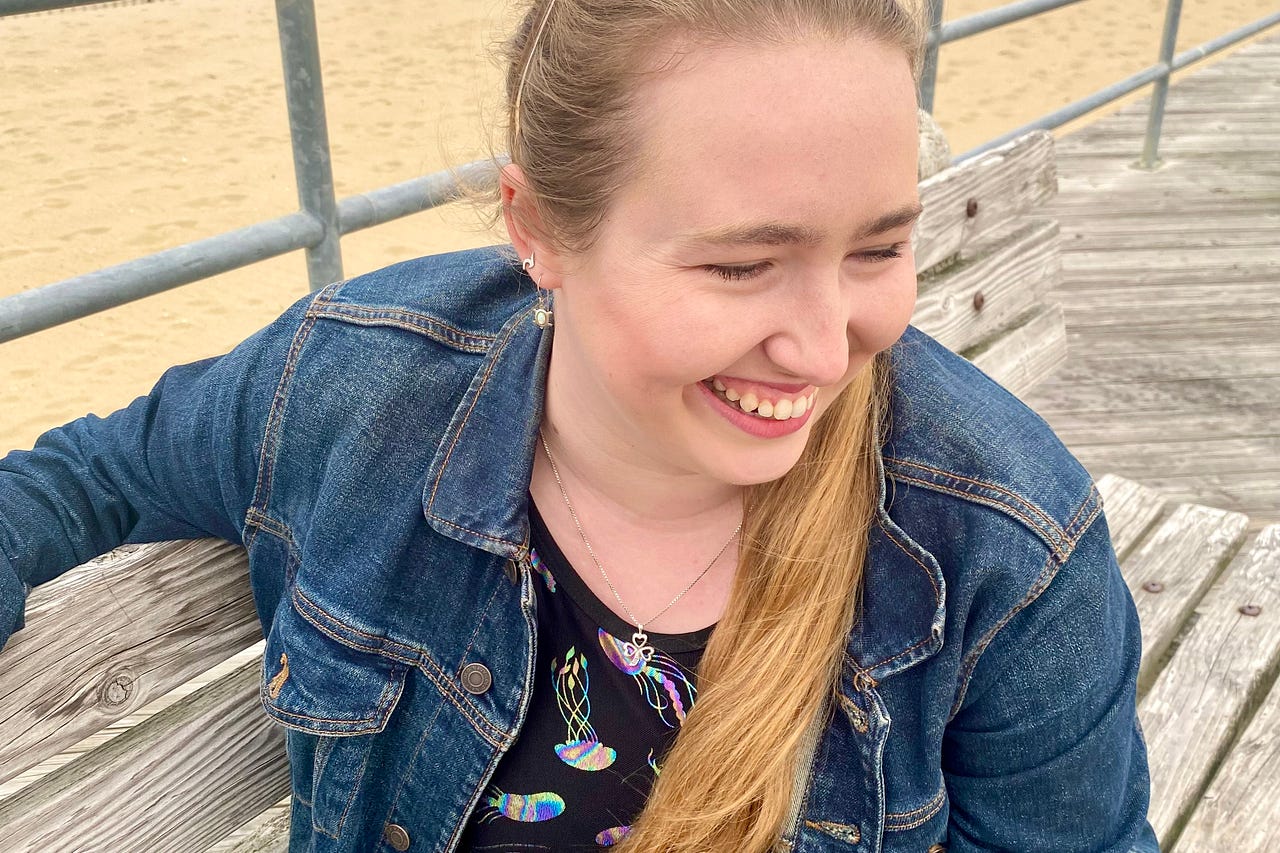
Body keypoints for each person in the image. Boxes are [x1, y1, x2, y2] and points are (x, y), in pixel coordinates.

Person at [0, 0, 1159, 851]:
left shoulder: (1004, 544)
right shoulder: (361, 382)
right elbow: (90, 474)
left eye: (877, 247)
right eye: (741, 265)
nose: (822, 351)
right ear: (538, 229)